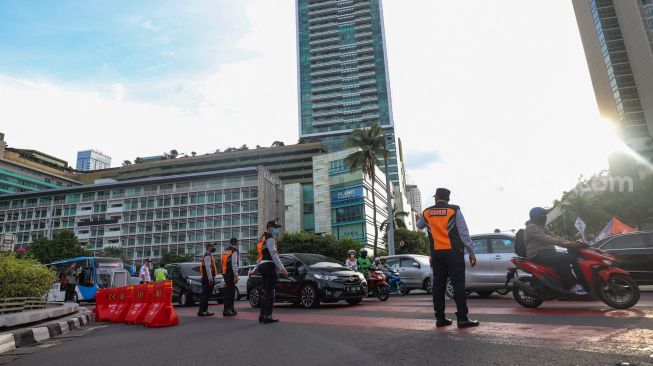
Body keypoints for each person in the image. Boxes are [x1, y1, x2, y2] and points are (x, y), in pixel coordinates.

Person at [416, 188, 479, 328]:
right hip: (453, 253)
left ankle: (440, 318)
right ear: (448, 199)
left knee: (438, 285)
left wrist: (420, 218)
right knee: (458, 284)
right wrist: (471, 252)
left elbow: (419, 226)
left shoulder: (426, 212)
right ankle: (462, 319)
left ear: (436, 197)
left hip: (437, 254)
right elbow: (463, 233)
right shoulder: (454, 210)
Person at [524, 207, 587, 295]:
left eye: (545, 215)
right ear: (535, 216)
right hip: (537, 253)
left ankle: (582, 282)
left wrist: (571, 243)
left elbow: (555, 237)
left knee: (573, 257)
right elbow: (548, 239)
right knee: (562, 258)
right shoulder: (531, 228)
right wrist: (569, 244)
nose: (545, 217)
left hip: (548, 252)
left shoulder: (542, 227)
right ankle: (572, 285)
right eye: (542, 215)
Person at [257, 219, 288, 324]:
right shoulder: (269, 238)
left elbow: (260, 255)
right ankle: (268, 315)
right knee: (270, 292)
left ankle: (262, 315)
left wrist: (254, 268)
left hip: (262, 265)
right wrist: (282, 268)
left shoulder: (261, 238)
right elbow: (274, 254)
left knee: (266, 291)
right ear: (270, 227)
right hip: (269, 265)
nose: (277, 230)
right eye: (276, 228)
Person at [221, 237, 239, 317]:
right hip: (231, 273)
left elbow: (223, 262)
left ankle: (229, 309)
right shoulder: (234, 251)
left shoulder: (225, 250)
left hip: (225, 272)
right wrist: (236, 275)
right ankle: (228, 309)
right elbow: (234, 264)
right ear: (236, 243)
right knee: (230, 291)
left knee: (228, 291)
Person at [198, 243, 218, 317]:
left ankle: (203, 310)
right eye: (212, 247)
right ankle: (203, 311)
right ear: (209, 247)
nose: (213, 248)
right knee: (205, 294)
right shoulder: (207, 255)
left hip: (207, 277)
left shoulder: (209, 255)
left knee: (205, 294)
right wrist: (210, 279)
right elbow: (208, 267)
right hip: (207, 277)